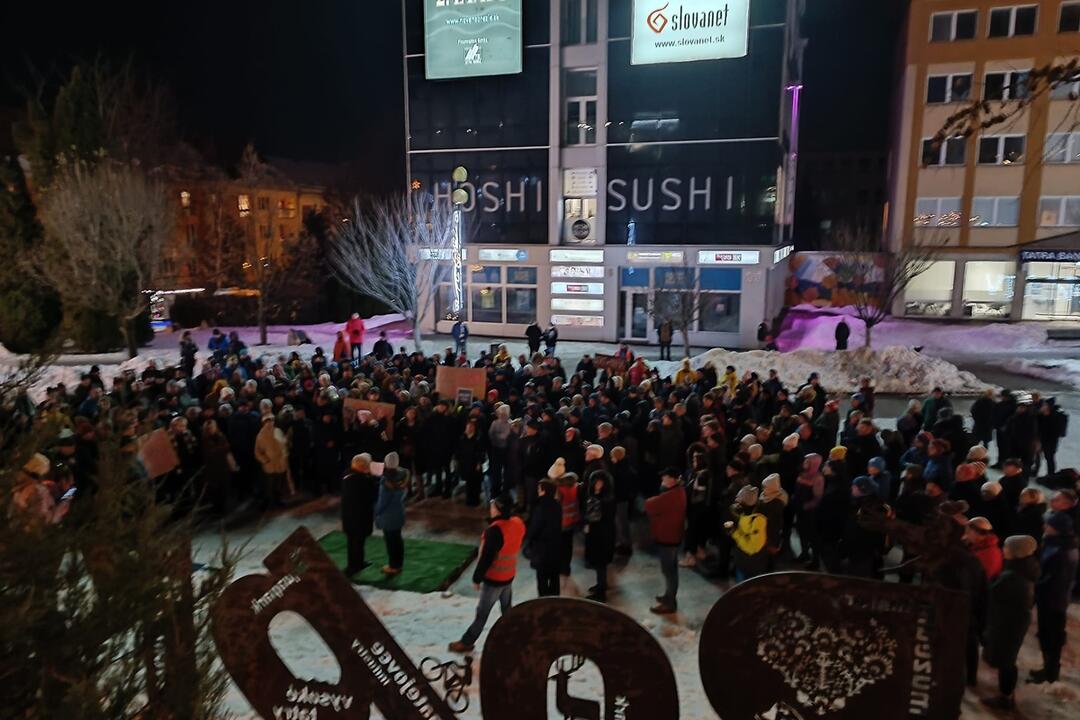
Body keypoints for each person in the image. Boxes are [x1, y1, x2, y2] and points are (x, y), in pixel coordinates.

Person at [449, 495, 526, 653]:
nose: (490, 509)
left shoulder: (495, 531)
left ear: (498, 509)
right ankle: (515, 634)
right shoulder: (518, 522)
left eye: (492, 507)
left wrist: (477, 577)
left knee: (482, 614)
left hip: (494, 579)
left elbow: (486, 558)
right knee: (506, 607)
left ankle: (467, 641)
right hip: (509, 574)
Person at [981, 535, 1040, 712]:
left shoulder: (1012, 577)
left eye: (1007, 547)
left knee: (1006, 661)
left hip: (1008, 624)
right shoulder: (1024, 568)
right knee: (1008, 659)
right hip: (1014, 622)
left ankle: (1005, 698)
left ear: (1016, 553)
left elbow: (993, 595)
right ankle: (1006, 694)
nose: (1003, 550)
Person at [1029, 511, 1079, 684]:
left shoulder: (1061, 551)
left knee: (1051, 637)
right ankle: (1049, 669)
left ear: (1057, 529)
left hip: (1053, 601)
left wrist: (1035, 588)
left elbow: (1053, 579)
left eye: (1048, 525)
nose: (1044, 527)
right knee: (1049, 636)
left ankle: (1050, 672)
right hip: (1054, 598)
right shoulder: (1061, 544)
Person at [645, 467, 687, 615]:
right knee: (671, 570)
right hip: (672, 536)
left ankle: (670, 603)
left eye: (665, 477)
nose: (662, 480)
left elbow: (649, 505)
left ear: (673, 480)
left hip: (668, 538)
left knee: (669, 571)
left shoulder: (671, 496)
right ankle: (669, 596)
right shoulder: (679, 491)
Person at [342, 454, 380, 576]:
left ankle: (357, 563)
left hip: (350, 516)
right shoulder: (361, 480)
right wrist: (374, 478)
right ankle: (353, 567)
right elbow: (373, 495)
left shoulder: (347, 475)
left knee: (355, 542)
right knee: (356, 542)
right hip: (358, 518)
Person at [524, 478, 562, 597]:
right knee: (554, 577)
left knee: (542, 577)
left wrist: (529, 540)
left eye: (539, 489)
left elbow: (535, 528)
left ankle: (544, 601)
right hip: (555, 546)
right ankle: (555, 599)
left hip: (542, 548)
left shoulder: (540, 507)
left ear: (543, 491)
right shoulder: (557, 505)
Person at [583, 469, 616, 602]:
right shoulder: (599, 496)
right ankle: (600, 585)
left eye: (600, 482)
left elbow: (595, 516)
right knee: (599, 564)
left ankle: (601, 592)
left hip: (601, 535)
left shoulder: (604, 499)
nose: (597, 484)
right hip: (598, 533)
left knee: (600, 562)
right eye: (595, 482)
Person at [375, 452, 408, 575]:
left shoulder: (386, 481)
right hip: (398, 512)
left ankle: (393, 566)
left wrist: (376, 512)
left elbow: (382, 502)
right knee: (398, 540)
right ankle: (399, 564)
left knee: (391, 542)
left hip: (388, 516)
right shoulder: (403, 475)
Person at [253, 414, 288, 510]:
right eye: (267, 421)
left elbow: (284, 444)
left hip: (280, 463)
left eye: (271, 421)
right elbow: (257, 451)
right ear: (264, 423)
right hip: (270, 464)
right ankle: (268, 502)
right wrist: (265, 460)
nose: (270, 423)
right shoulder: (260, 435)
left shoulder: (278, 431)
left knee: (278, 484)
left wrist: (284, 455)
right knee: (269, 485)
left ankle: (278, 500)